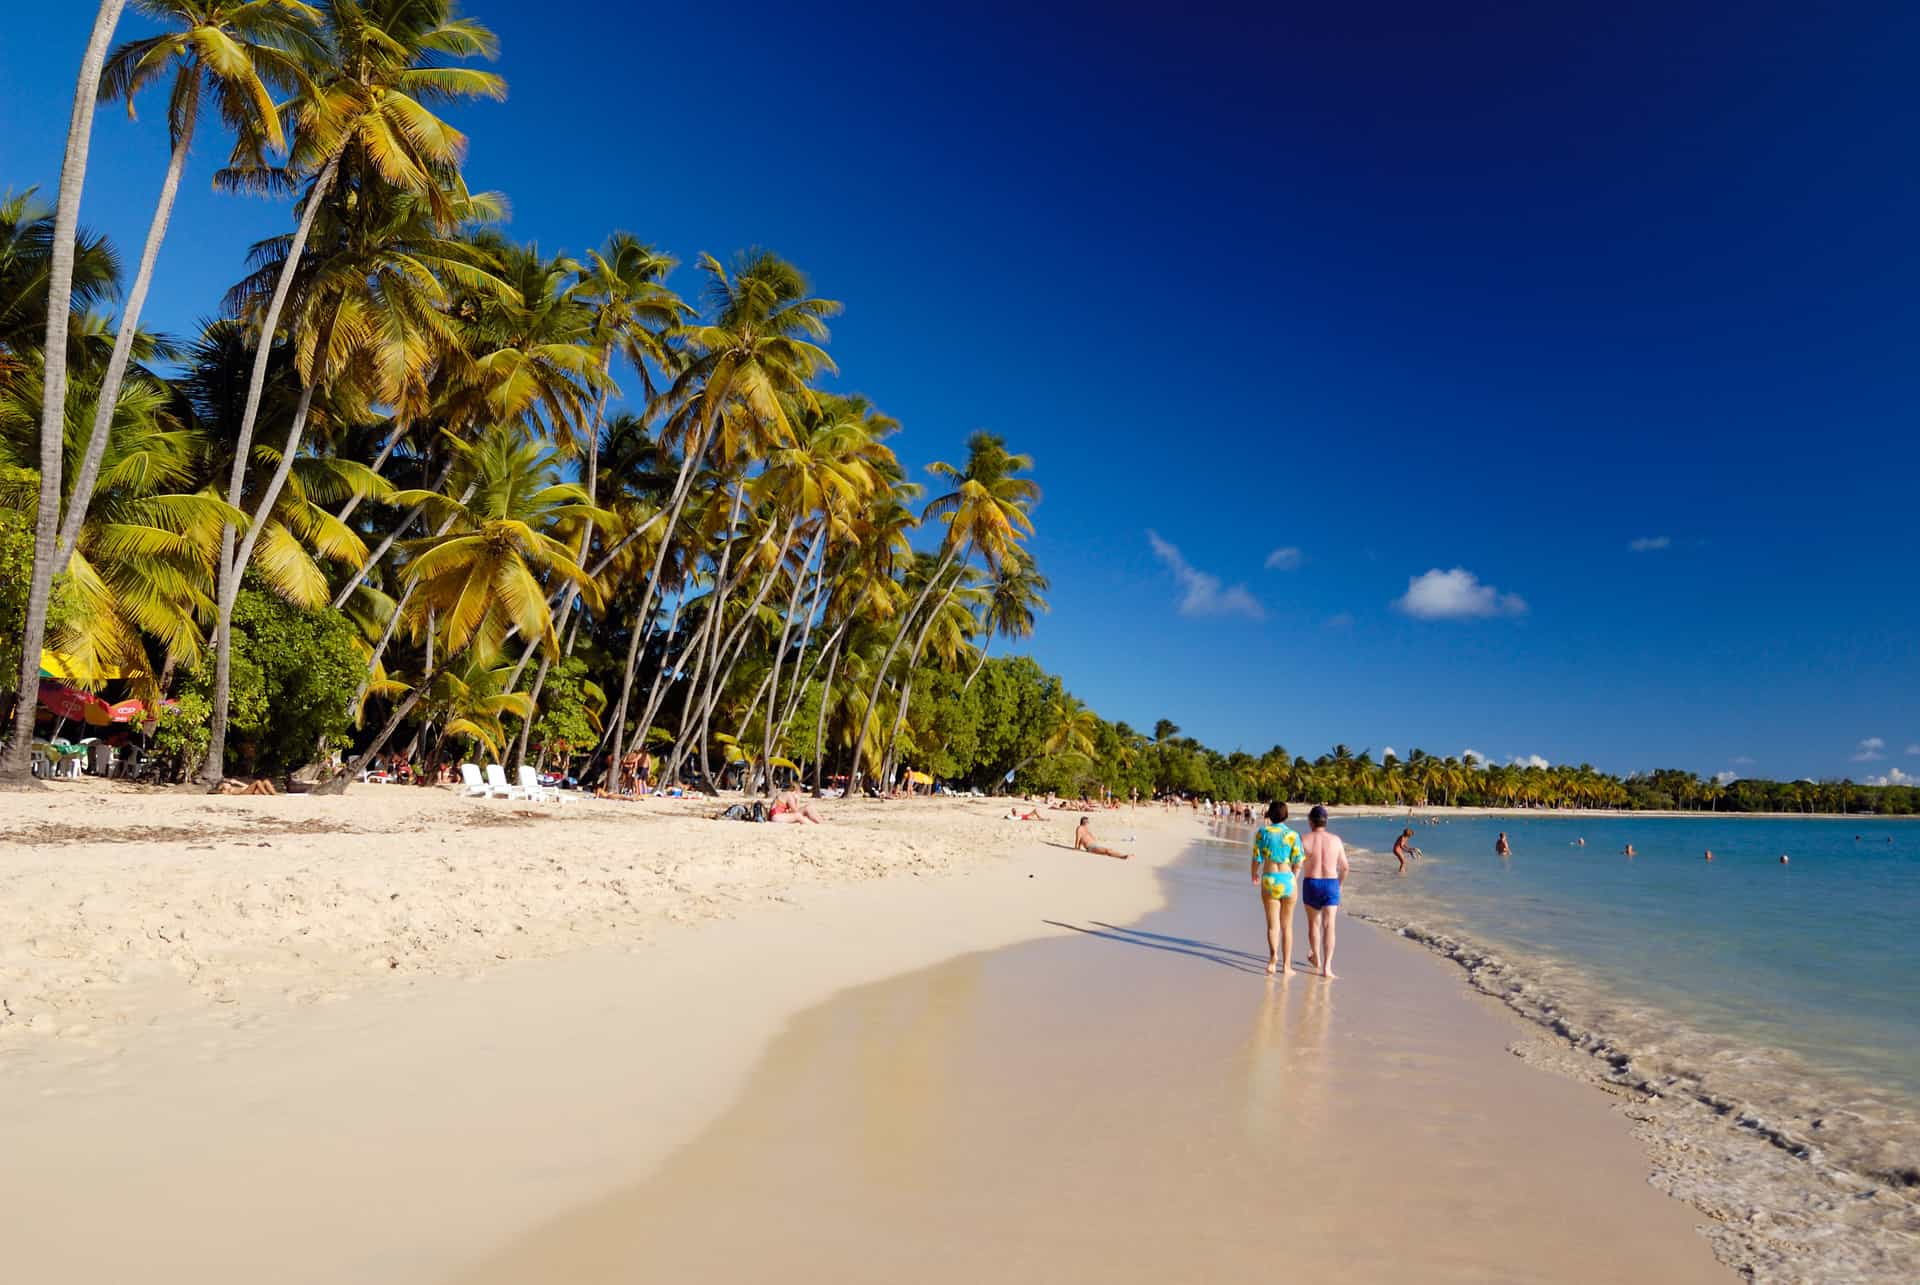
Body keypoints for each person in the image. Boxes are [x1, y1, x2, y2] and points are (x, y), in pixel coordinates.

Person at [1251, 801, 1304, 975]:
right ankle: (1287, 965)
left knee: (1273, 925)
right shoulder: (1293, 835)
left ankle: (1273, 958)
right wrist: (1294, 877)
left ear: (1270, 815)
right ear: (1286, 815)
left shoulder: (1263, 832)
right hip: (1287, 879)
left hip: (1270, 879)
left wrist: (1254, 874)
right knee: (1287, 926)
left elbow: (1257, 857)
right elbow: (1298, 860)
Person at [1298, 805, 1348, 979]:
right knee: (1329, 926)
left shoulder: (1303, 839)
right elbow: (1345, 867)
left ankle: (1316, 958)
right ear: (1325, 822)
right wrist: (1339, 886)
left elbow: (1295, 863)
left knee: (1314, 924)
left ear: (1310, 821)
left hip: (1311, 882)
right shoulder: (1336, 840)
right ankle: (1327, 968)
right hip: (1330, 884)